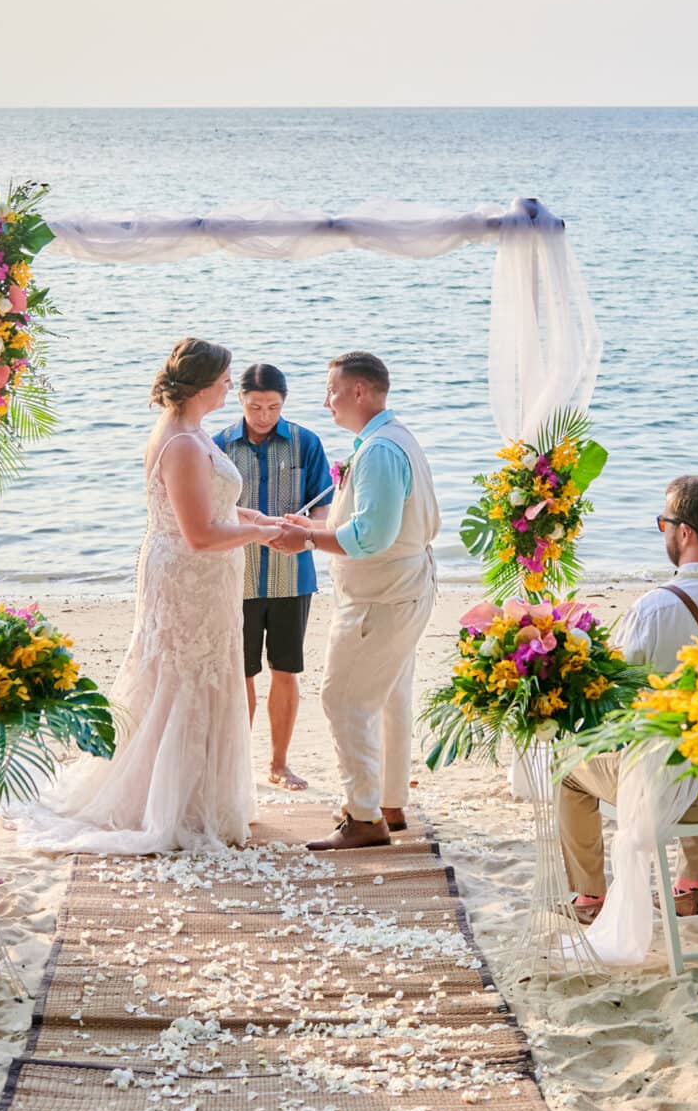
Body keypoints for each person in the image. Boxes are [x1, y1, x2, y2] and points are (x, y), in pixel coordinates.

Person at [26, 339, 292, 854]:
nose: (227, 385)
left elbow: (214, 509)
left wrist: (262, 519)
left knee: (199, 672)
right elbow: (199, 533)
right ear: (200, 385)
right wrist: (259, 536)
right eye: (223, 378)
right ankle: (174, 805)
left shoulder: (193, 432)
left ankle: (202, 796)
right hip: (189, 574)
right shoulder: (185, 443)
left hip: (202, 574)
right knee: (184, 676)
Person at [560, 476, 698, 923]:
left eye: (664, 522)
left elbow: (609, 692)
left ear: (685, 533)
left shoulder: (655, 610)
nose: (663, 531)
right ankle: (689, 886)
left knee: (567, 768)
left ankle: (590, 898)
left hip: (667, 793)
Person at [279, 352, 443, 853]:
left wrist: (306, 542)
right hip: (404, 586)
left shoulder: (378, 451)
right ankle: (389, 803)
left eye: (331, 389)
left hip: (382, 595)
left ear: (359, 392)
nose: (325, 400)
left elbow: (371, 536)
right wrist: (313, 527)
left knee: (344, 698)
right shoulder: (393, 439)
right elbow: (375, 525)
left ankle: (364, 816)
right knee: (390, 695)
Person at [219, 363, 333, 792]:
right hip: (236, 576)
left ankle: (279, 764)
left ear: (284, 402)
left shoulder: (307, 442)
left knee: (286, 670)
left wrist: (309, 529)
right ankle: (238, 768)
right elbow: (211, 510)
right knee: (240, 674)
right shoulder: (218, 446)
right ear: (240, 400)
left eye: (272, 406)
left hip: (292, 577)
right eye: (254, 406)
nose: (263, 414)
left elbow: (323, 508)